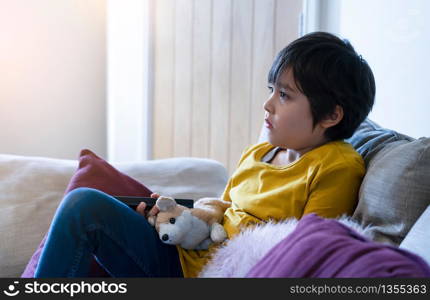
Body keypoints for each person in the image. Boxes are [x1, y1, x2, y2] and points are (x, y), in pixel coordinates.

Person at [34, 32, 375, 278]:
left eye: (284, 96)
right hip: (182, 254)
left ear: (331, 115)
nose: (268, 104)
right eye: (271, 90)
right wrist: (175, 218)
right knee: (85, 204)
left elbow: (312, 252)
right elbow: (219, 215)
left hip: (205, 275)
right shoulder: (260, 153)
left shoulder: (336, 165)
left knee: (84, 207)